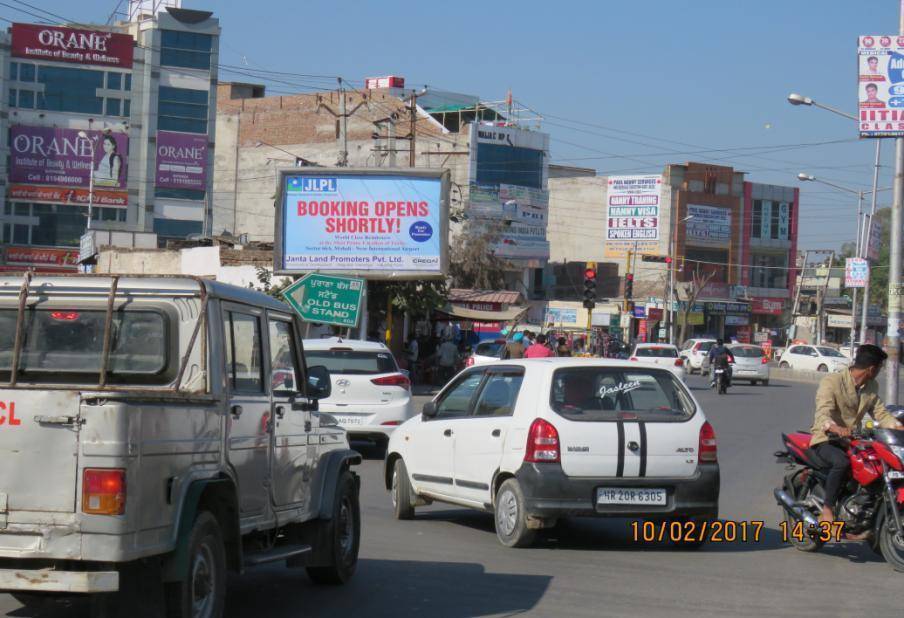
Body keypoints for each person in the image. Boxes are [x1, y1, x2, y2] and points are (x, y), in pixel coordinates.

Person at [810, 345, 904, 528]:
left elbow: (881, 413)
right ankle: (827, 509)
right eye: (879, 368)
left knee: (875, 465)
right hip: (827, 438)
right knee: (841, 462)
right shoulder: (832, 381)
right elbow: (823, 413)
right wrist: (835, 428)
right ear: (872, 369)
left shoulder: (871, 386)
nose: (879, 371)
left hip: (852, 440)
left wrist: (899, 427)